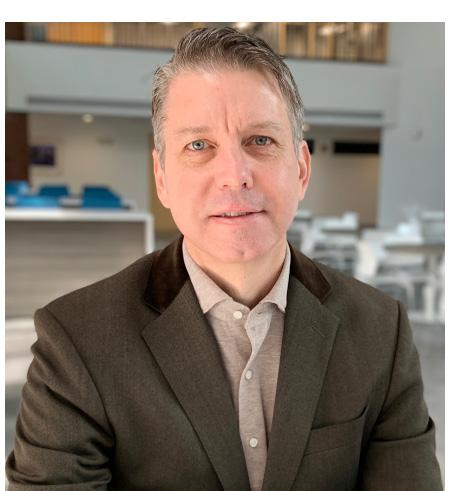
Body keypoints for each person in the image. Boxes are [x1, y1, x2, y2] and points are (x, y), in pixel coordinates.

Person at [6, 27, 442, 491]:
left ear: (301, 169)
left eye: (260, 140)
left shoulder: (381, 330)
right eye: (199, 145)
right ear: (162, 176)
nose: (235, 175)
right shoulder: (77, 341)